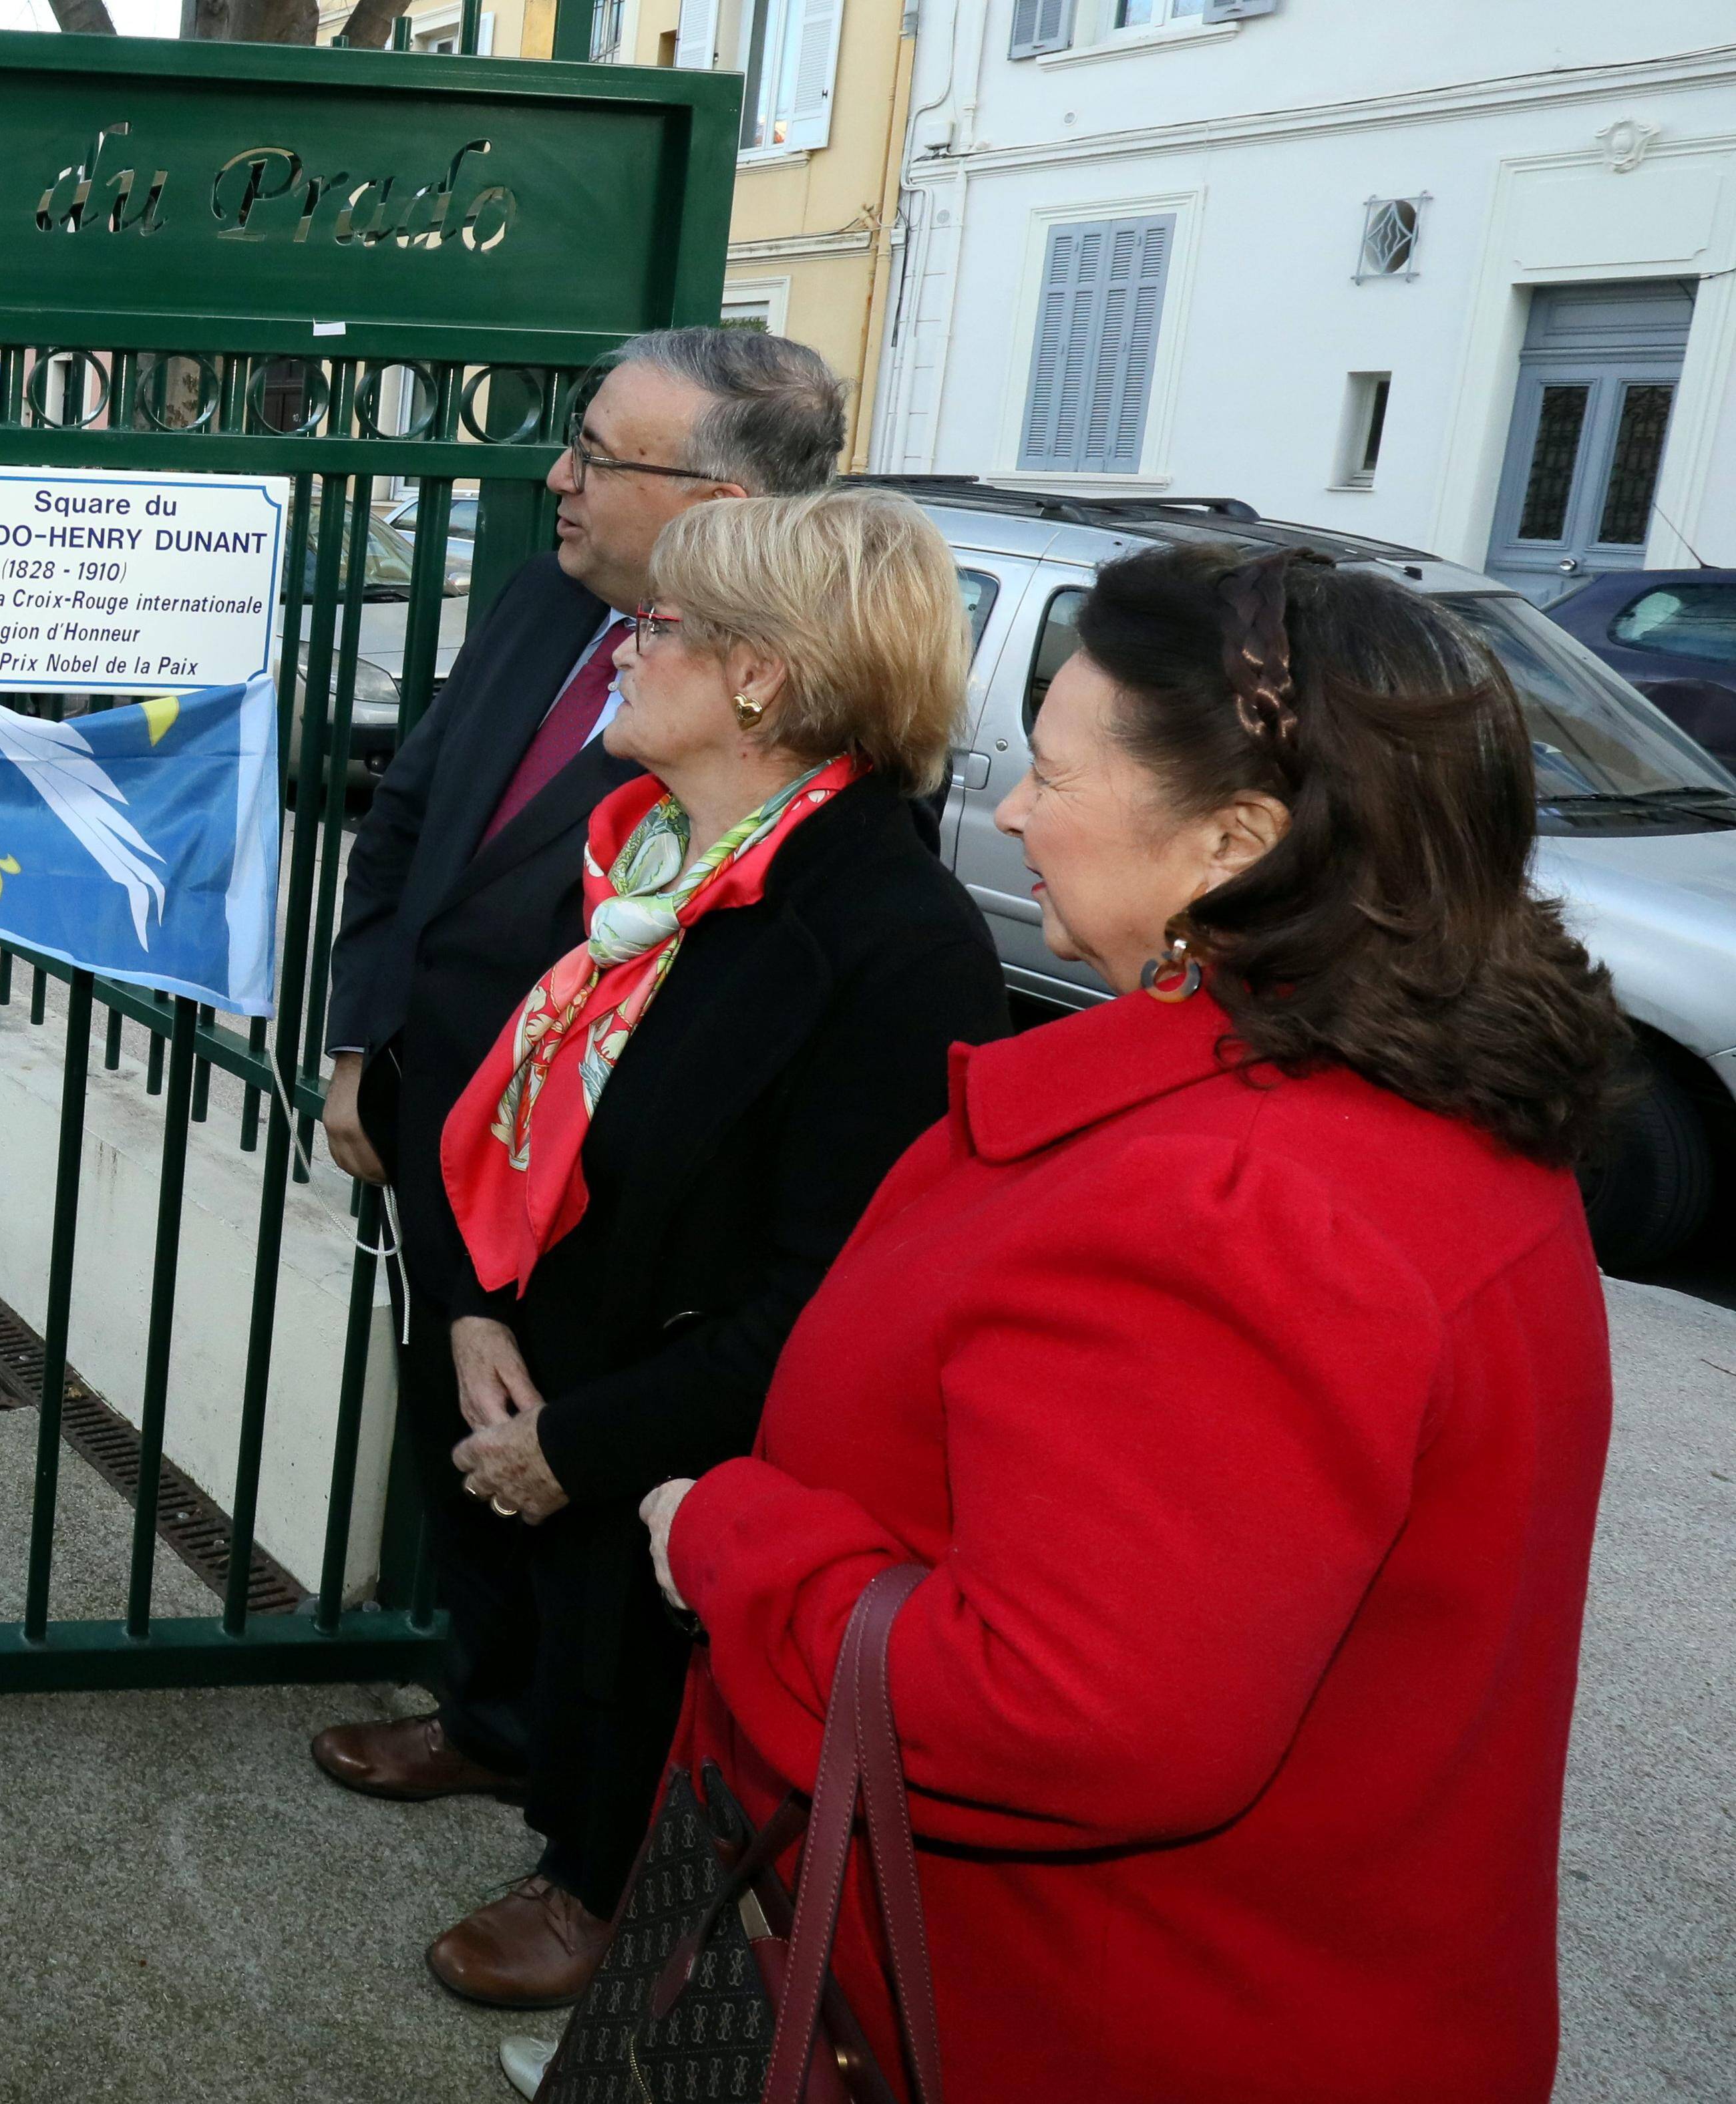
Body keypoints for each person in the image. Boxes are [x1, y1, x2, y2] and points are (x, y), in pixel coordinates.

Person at [645, 544, 1623, 2101]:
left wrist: (731, 1538)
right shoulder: (1411, 1105)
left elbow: (1056, 1716)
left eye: (1047, 772)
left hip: (1083, 2016)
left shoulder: (1237, 1207)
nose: (1014, 813)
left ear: (1233, 841)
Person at [397, 488, 1005, 2017]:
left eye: (658, 626)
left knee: (649, 1695)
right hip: (572, 1384)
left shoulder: (886, 935)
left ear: (759, 677)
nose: (622, 646)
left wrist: (582, 1447)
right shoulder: (652, 861)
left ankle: (610, 1896)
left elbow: (827, 1301)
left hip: (697, 1455)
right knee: (564, 1651)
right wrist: (476, 1311)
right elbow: (524, 1122)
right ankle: (559, 1825)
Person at [309, 329, 844, 1821]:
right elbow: (408, 812)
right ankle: (483, 1713)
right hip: (435, 1129)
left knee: (585, 1485)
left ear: (719, 498)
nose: (558, 475)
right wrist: (361, 1045)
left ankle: (591, 1832)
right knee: (452, 1432)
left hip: (601, 1193)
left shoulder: (779, 703)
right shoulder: (554, 596)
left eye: (598, 454)